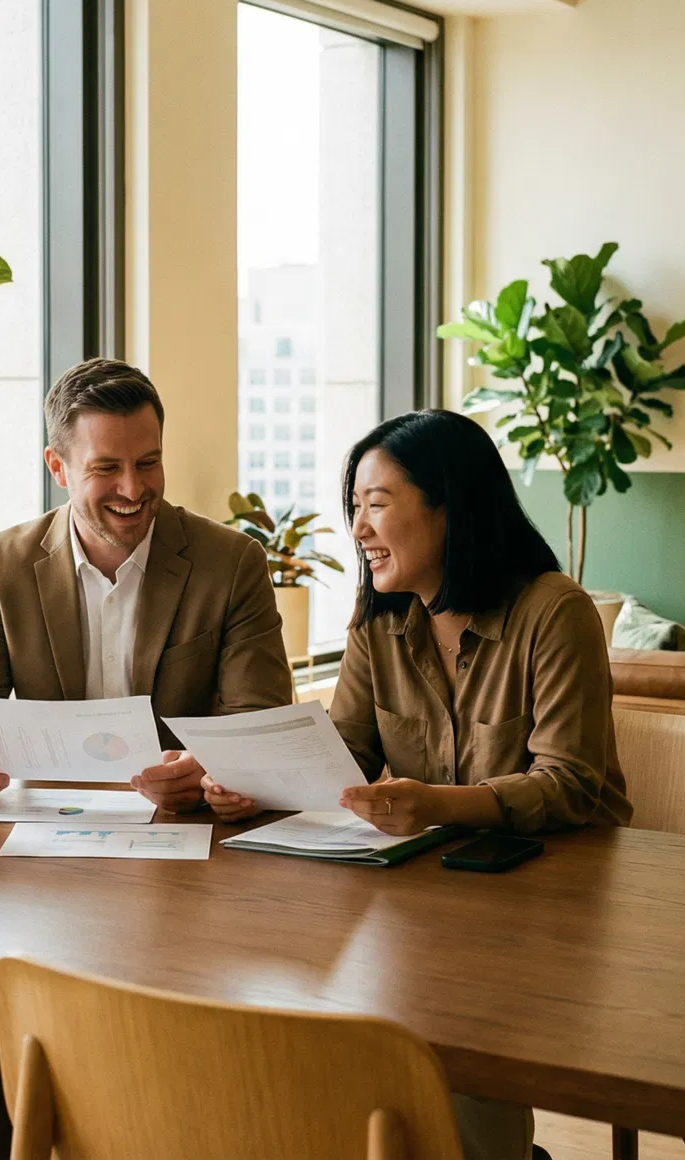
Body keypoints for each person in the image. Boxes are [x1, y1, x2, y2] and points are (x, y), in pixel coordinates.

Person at [204, 408, 630, 1160]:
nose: (359, 530)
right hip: (427, 897)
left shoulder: (552, 611)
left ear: (449, 507)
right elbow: (351, 747)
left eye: (377, 504)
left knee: (457, 1052)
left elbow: (568, 786)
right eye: (355, 507)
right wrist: (256, 779)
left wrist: (436, 803)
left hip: (553, 904)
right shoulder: (380, 619)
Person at [0, 358, 295, 809]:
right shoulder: (3, 564)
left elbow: (262, 717)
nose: (133, 489)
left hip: (188, 832)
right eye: (106, 468)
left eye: (148, 463)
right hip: (50, 830)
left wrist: (213, 764)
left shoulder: (232, 562)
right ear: (58, 468)